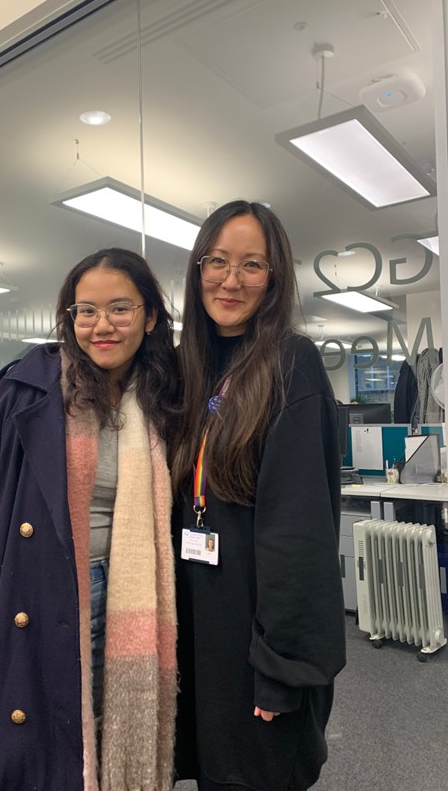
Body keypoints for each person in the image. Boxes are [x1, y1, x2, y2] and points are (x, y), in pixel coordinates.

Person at [0, 248, 179, 791]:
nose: (101, 325)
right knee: (25, 755)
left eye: (120, 309)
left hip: (129, 599)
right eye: (86, 311)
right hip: (33, 591)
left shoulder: (165, 398)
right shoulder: (28, 389)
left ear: (149, 317)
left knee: (96, 741)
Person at [170, 200, 346, 791]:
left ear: (274, 278)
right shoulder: (186, 368)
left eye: (252, 264)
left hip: (254, 648)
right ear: (198, 269)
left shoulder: (291, 364)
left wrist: (282, 669)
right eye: (217, 261)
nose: (231, 280)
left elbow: (299, 533)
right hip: (195, 633)